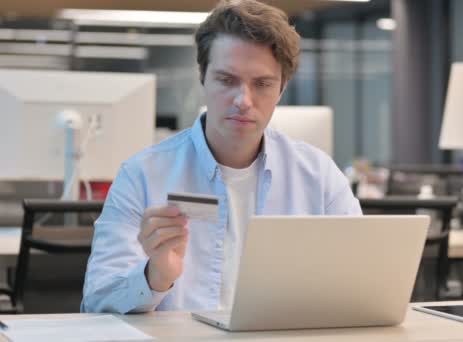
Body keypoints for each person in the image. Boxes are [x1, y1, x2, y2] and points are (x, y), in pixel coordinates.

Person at [81, 0, 362, 313]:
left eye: (262, 84)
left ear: (282, 88)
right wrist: (155, 277)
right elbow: (96, 305)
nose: (243, 100)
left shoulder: (319, 176)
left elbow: (360, 284)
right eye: (227, 80)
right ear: (203, 77)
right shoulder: (142, 175)